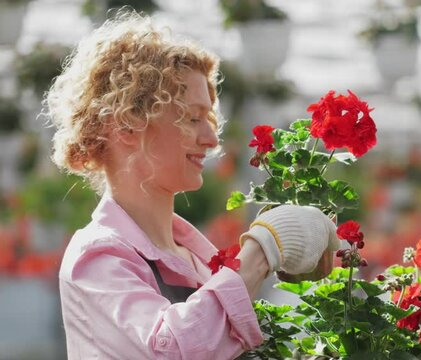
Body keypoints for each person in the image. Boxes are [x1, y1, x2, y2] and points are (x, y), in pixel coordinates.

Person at [45, 11, 338, 359]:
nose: (211, 137)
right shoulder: (97, 258)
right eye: (191, 118)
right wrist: (262, 250)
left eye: (209, 118)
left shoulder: (194, 258)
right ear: (124, 126)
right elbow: (171, 349)